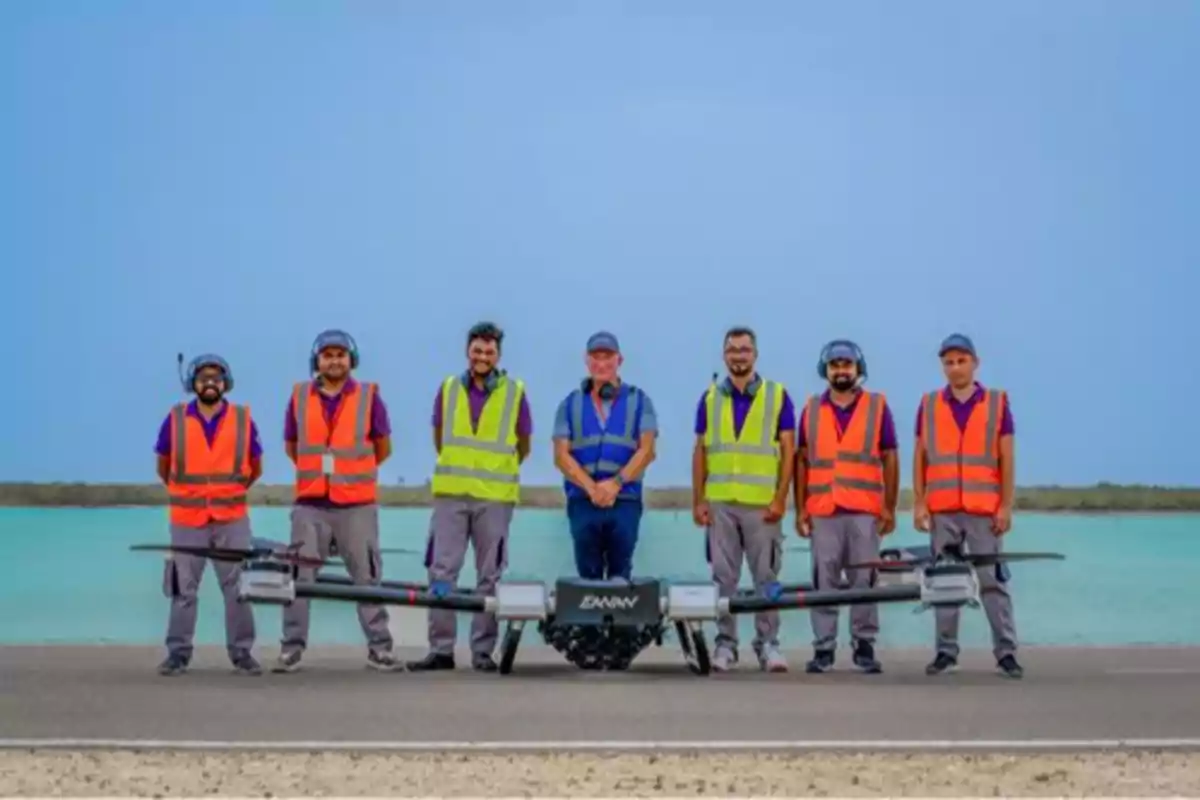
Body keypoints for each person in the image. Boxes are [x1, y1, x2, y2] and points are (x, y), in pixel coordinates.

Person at [407, 322, 532, 672]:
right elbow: (439, 437)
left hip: (494, 499)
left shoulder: (515, 392)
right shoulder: (448, 389)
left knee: (489, 576)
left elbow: (523, 444)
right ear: (468, 351)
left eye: (489, 352)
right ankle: (442, 650)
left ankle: (482, 653)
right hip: (451, 496)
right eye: (477, 350)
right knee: (442, 573)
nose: (482, 356)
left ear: (498, 355)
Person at [274, 329, 398, 673]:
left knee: (367, 577)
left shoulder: (370, 397)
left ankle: (380, 648)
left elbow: (382, 447)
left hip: (356, 505)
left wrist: (350, 476)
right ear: (317, 360)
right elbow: (291, 446)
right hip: (310, 504)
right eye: (327, 355)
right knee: (299, 578)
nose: (334, 360)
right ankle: (292, 649)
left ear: (351, 360)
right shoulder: (299, 397)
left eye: (341, 355)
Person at [913, 333, 1021, 679]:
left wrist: (1005, 505)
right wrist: (919, 503)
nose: (955, 367)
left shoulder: (996, 403)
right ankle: (946, 652)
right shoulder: (929, 404)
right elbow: (920, 457)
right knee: (944, 583)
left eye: (961, 360)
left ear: (975, 363)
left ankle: (1006, 652)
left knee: (993, 582)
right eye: (948, 362)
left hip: (983, 510)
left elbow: (1006, 458)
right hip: (943, 509)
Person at [692, 326, 796, 673]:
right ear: (724, 355)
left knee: (766, 578)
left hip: (762, 506)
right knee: (724, 579)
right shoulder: (709, 398)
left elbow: (789, 451)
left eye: (745, 349)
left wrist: (782, 499)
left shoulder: (777, 396)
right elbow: (701, 452)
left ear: (755, 355)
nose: (739, 355)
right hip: (721, 503)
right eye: (733, 349)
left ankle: (769, 645)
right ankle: (725, 646)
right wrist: (699, 500)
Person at [794, 340, 899, 675]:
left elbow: (890, 458)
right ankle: (823, 648)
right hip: (823, 510)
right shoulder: (811, 410)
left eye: (847, 365)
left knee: (864, 580)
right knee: (823, 579)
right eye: (835, 365)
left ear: (858, 369)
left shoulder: (877, 407)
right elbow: (801, 462)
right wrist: (800, 509)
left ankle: (864, 647)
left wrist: (889, 508)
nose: (841, 370)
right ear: (825, 370)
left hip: (864, 511)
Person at [154, 354, 262, 676]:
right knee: (183, 589)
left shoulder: (243, 419)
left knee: (239, 589)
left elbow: (255, 467)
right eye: (204, 378)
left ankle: (242, 654)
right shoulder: (174, 419)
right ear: (193, 384)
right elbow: (164, 465)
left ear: (226, 382)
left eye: (217, 377)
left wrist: (228, 493)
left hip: (231, 517)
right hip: (188, 520)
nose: (210, 382)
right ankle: (178, 654)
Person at [552, 331, 658, 581]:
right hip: (583, 502)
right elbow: (561, 455)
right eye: (595, 357)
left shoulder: (640, 402)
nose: (601, 363)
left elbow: (647, 451)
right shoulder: (569, 405)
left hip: (625, 502)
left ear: (619, 360)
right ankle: (589, 621)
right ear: (586, 361)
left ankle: (621, 620)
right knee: (587, 577)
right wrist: (592, 488)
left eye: (607, 357)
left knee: (621, 577)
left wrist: (615, 485)